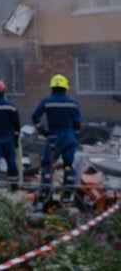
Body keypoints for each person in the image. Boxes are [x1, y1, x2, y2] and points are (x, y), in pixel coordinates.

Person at [32, 73, 81, 202]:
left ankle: (45, 193)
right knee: (68, 165)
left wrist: (43, 131)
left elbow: (35, 116)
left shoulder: (47, 102)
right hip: (70, 136)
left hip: (54, 136)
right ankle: (68, 194)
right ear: (65, 88)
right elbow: (77, 122)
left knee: (48, 164)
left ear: (52, 88)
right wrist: (75, 136)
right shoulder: (73, 103)